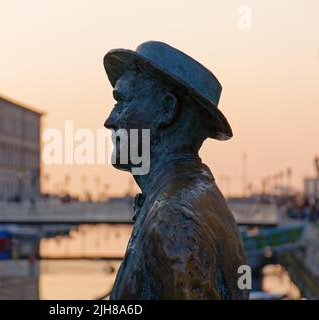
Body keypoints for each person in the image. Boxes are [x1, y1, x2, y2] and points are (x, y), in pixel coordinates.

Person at [103, 41, 248, 299]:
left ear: (167, 110)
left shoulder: (172, 220)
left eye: (123, 102)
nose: (110, 120)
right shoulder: (195, 194)